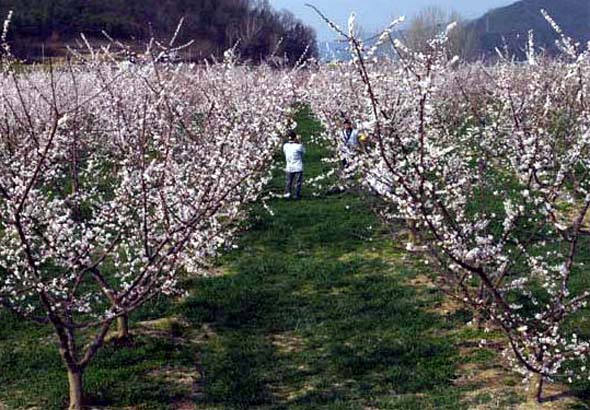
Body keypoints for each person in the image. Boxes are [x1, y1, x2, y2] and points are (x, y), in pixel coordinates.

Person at [283, 130, 305, 200]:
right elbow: (303, 152)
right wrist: (299, 141)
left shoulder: (285, 146)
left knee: (288, 182)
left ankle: (287, 194)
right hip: (298, 166)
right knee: (297, 182)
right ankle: (296, 195)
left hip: (289, 166)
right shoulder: (299, 146)